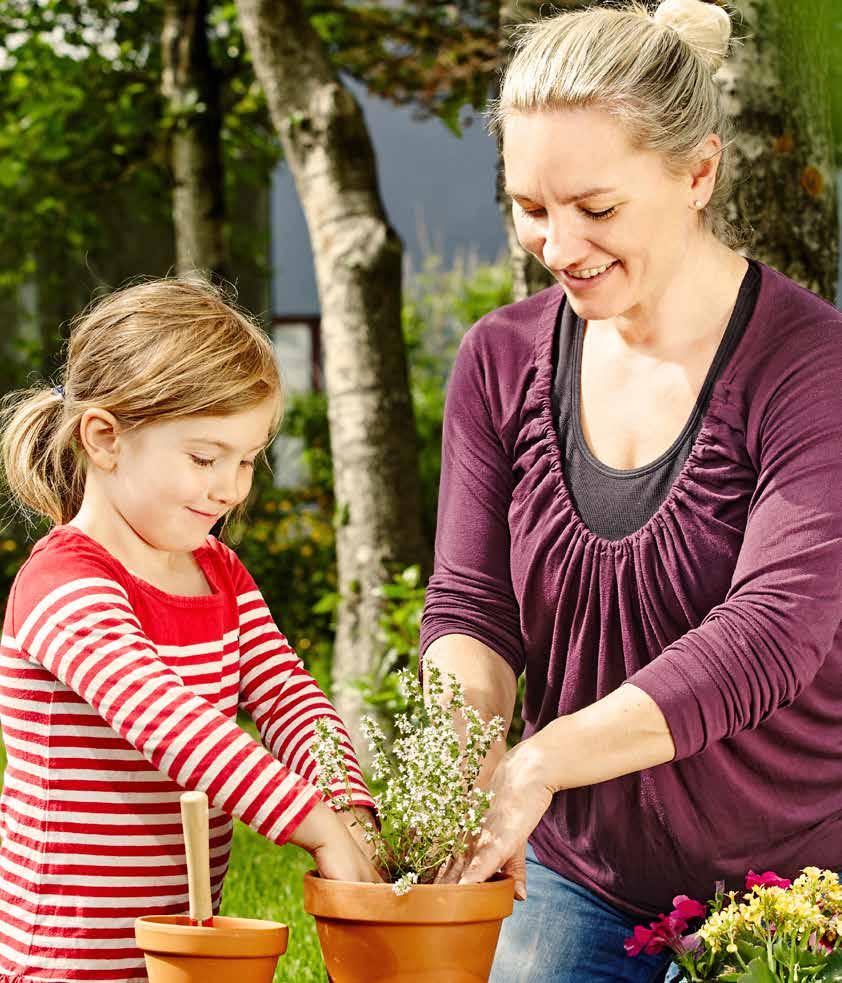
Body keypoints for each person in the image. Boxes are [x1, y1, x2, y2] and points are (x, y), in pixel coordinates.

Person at [420, 1, 842, 980]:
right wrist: (463, 760)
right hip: (576, 870)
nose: (558, 245)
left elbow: (774, 627)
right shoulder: (498, 361)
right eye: (530, 207)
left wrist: (537, 759)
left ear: (697, 173)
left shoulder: (809, 368)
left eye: (595, 209)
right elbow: (471, 607)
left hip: (787, 883)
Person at [0, 278, 380, 983]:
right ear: (106, 439)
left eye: (246, 459)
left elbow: (289, 700)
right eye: (206, 458)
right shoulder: (63, 585)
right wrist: (312, 821)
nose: (231, 487)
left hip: (176, 953)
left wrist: (348, 804)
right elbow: (176, 726)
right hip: (64, 961)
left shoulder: (219, 572)